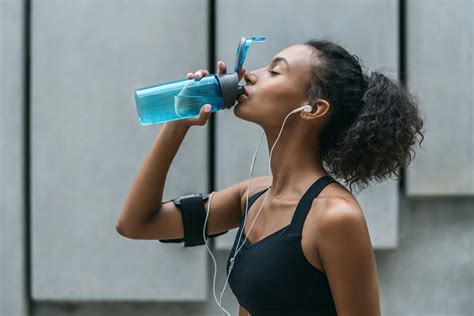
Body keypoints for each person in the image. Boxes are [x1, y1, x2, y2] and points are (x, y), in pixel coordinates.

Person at [116, 39, 425, 316]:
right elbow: (137, 223)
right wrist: (178, 123)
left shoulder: (334, 217)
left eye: (275, 72)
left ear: (312, 109)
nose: (250, 74)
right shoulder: (252, 197)